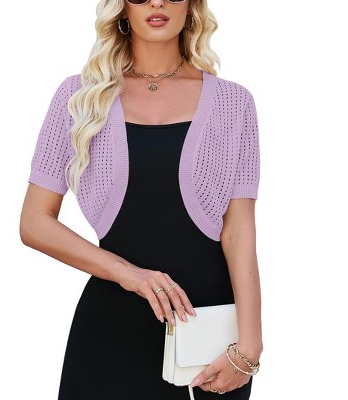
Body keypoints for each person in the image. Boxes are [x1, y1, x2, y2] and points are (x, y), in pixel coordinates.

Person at [19, 0, 263, 399]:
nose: (157, 2)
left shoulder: (234, 103)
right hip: (110, 332)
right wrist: (129, 274)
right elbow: (34, 222)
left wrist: (250, 345)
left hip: (209, 341)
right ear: (121, 8)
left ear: (192, 5)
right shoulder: (78, 97)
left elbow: (239, 231)